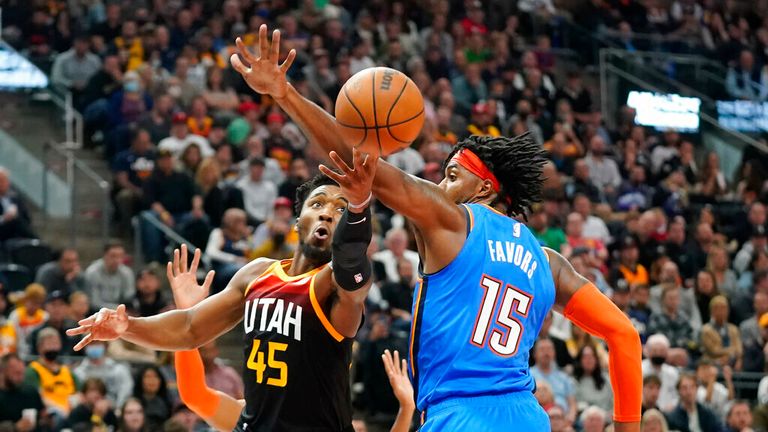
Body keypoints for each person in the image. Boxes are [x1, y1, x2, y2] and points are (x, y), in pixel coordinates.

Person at [228, 25, 642, 431]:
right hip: (528, 417)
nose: (441, 185)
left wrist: (285, 94)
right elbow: (624, 335)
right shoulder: (548, 262)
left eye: (451, 175)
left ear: (483, 186)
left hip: (460, 416)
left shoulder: (452, 220)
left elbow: (355, 160)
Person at [68, 145, 379, 430]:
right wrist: (128, 326)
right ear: (298, 220)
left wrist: (359, 207)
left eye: (340, 208)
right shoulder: (256, 274)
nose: (327, 212)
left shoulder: (337, 285)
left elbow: (351, 261)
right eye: (318, 203)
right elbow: (190, 329)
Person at [0, 353, 48, 431]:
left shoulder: (30, 392)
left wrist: (46, 419)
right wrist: (15, 428)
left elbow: (42, 416)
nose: (21, 378)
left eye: (22, 373)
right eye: (16, 373)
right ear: (2, 371)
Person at [84, 241, 136, 310]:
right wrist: (117, 309)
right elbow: (94, 302)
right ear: (105, 255)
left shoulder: (127, 272)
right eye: (113, 256)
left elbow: (129, 297)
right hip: (97, 312)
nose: (117, 260)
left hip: (120, 310)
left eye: (120, 256)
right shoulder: (92, 272)